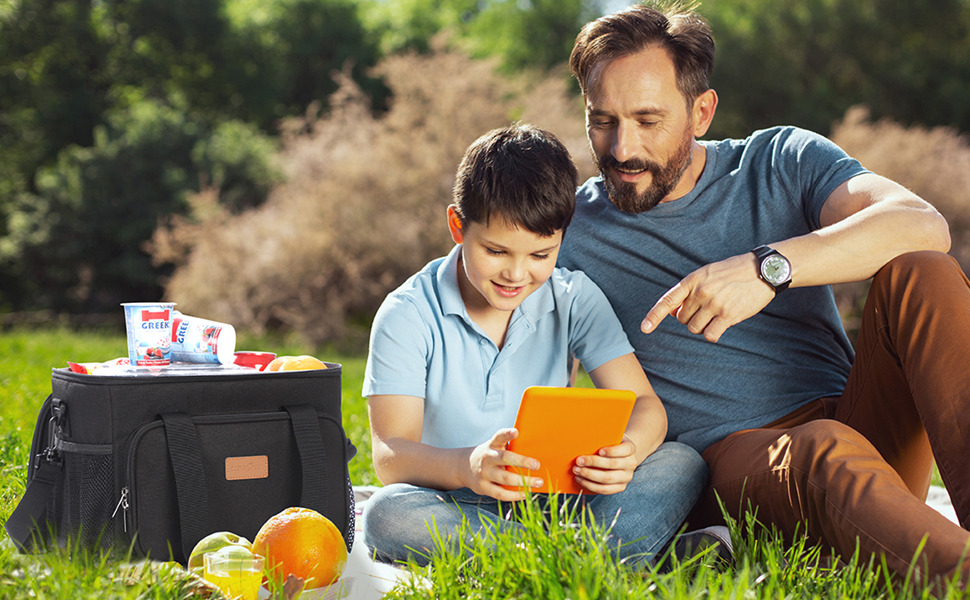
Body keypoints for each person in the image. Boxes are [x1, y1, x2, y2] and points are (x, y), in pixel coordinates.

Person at [556, 0, 970, 584]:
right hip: (736, 464)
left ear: (701, 112)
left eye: (648, 121)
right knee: (822, 450)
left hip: (863, 429)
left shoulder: (778, 160)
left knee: (922, 272)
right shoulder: (567, 228)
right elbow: (467, 287)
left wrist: (765, 268)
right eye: (603, 120)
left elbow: (922, 224)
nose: (622, 149)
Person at [360, 123, 707, 567]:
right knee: (387, 516)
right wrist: (467, 466)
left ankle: (558, 558)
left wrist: (630, 452)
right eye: (496, 251)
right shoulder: (407, 313)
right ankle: (598, 559)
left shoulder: (575, 298)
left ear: (562, 237)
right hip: (459, 502)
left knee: (681, 460)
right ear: (457, 226)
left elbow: (645, 405)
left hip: (562, 500)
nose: (516, 275)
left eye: (541, 255)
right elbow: (391, 455)